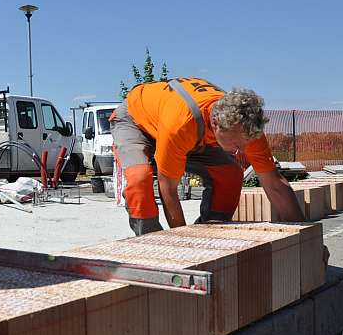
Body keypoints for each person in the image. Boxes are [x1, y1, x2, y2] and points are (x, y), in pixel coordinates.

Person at [111, 77, 304, 234]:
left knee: (230, 174)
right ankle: (150, 243)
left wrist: (306, 240)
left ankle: (210, 231)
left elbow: (274, 184)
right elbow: (168, 189)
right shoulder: (181, 125)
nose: (241, 151)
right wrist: (184, 245)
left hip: (189, 130)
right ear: (216, 123)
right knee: (140, 179)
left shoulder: (246, 127)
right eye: (236, 144)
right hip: (136, 121)